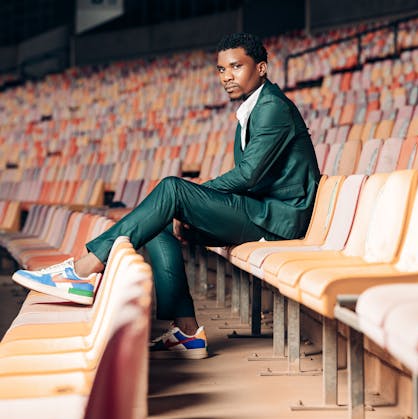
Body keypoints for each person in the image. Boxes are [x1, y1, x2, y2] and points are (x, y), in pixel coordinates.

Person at [13, 33, 320, 359]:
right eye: (220, 70)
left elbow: (248, 176)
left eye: (235, 66)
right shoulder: (253, 108)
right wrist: (195, 204)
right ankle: (187, 331)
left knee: (172, 189)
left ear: (261, 68)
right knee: (158, 219)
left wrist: (196, 197)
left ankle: (85, 268)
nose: (226, 76)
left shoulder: (272, 107)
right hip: (261, 210)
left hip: (280, 218)